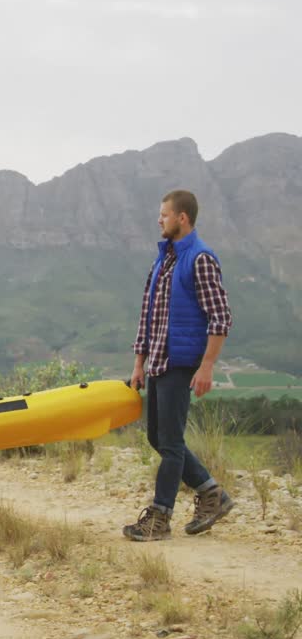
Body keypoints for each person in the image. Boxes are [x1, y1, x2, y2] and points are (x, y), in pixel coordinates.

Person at [123, 190, 234, 541]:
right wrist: (138, 363)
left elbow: (220, 317)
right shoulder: (163, 261)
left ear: (182, 217)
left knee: (171, 443)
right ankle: (212, 493)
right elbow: (147, 317)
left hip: (180, 362)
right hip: (157, 361)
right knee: (158, 437)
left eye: (164, 214)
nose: (159, 220)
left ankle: (159, 518)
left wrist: (207, 366)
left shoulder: (201, 259)